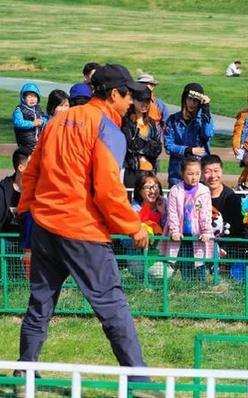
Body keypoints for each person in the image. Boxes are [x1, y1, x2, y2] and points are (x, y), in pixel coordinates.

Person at [15, 64, 153, 383]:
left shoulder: (56, 121)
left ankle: (23, 376)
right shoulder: (107, 128)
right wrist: (132, 227)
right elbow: (108, 189)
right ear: (114, 94)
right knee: (112, 306)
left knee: (39, 306)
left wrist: (28, 224)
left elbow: (31, 174)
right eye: (128, 94)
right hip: (82, 230)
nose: (132, 101)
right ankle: (141, 382)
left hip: (45, 228)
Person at [161, 157, 213, 282]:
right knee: (184, 260)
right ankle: (187, 285)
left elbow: (206, 213)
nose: (194, 177)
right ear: (182, 174)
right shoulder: (175, 190)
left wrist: (206, 231)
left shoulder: (204, 191)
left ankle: (201, 286)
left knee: (200, 260)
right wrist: (174, 231)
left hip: (198, 233)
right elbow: (172, 212)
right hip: (181, 234)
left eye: (197, 173)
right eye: (190, 174)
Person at [165, 83, 215, 187]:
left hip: (198, 175)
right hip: (177, 174)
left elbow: (207, 134)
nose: (192, 103)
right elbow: (168, 146)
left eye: (196, 100)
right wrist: (188, 150)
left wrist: (205, 111)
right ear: (184, 99)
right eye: (189, 99)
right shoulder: (173, 120)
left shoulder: (204, 118)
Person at [201, 155, 247, 249]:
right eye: (208, 172)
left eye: (216, 171)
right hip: (200, 246)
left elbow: (237, 231)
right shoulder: (197, 195)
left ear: (222, 171)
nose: (213, 176)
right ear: (201, 174)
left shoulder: (231, 198)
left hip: (226, 250)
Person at [126, 173, 166, 279]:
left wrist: (163, 213)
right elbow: (125, 238)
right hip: (137, 253)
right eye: (148, 188)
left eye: (155, 186)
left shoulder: (165, 204)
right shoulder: (132, 209)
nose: (153, 191)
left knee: (160, 272)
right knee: (139, 268)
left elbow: (169, 229)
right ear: (139, 190)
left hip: (159, 253)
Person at [121, 87, 163, 188]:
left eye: (147, 101)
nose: (145, 104)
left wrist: (141, 145)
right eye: (141, 100)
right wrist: (149, 145)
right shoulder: (126, 122)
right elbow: (131, 146)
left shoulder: (152, 123)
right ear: (133, 100)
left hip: (150, 171)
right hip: (132, 171)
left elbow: (157, 148)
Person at [0, 149, 30, 280]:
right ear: (21, 168)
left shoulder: (37, 190)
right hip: (6, 240)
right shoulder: (3, 191)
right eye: (32, 164)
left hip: (27, 240)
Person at [13, 83, 48, 154]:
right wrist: (32, 123)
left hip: (39, 142)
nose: (32, 99)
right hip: (26, 143)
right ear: (23, 98)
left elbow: (45, 118)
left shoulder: (38, 109)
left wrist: (43, 121)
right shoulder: (19, 110)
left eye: (35, 97)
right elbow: (18, 123)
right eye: (29, 97)